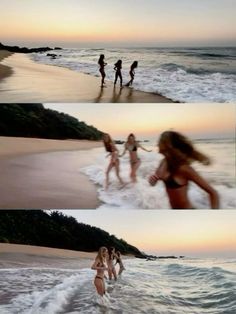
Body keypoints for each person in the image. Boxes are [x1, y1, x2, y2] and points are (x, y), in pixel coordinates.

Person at [149, 131, 219, 209]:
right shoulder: (163, 162)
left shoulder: (184, 168)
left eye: (159, 141)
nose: (157, 144)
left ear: (166, 145)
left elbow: (213, 193)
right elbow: (154, 181)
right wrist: (152, 181)